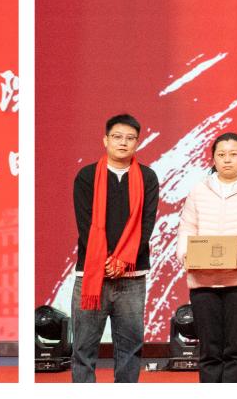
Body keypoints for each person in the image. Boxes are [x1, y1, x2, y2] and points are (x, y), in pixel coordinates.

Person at [175, 132, 237, 382]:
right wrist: (185, 255)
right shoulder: (199, 190)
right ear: (213, 158)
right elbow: (187, 228)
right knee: (209, 350)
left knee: (236, 350)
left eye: (233, 154)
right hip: (204, 283)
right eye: (221, 154)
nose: (227, 159)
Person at [71, 113, 160, 383]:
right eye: (117, 137)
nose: (123, 143)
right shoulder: (87, 176)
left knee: (130, 349)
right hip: (91, 274)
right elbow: (85, 225)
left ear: (137, 143)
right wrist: (108, 261)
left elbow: (147, 224)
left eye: (130, 138)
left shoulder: (147, 177)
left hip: (132, 276)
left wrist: (123, 260)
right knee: (83, 349)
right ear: (105, 140)